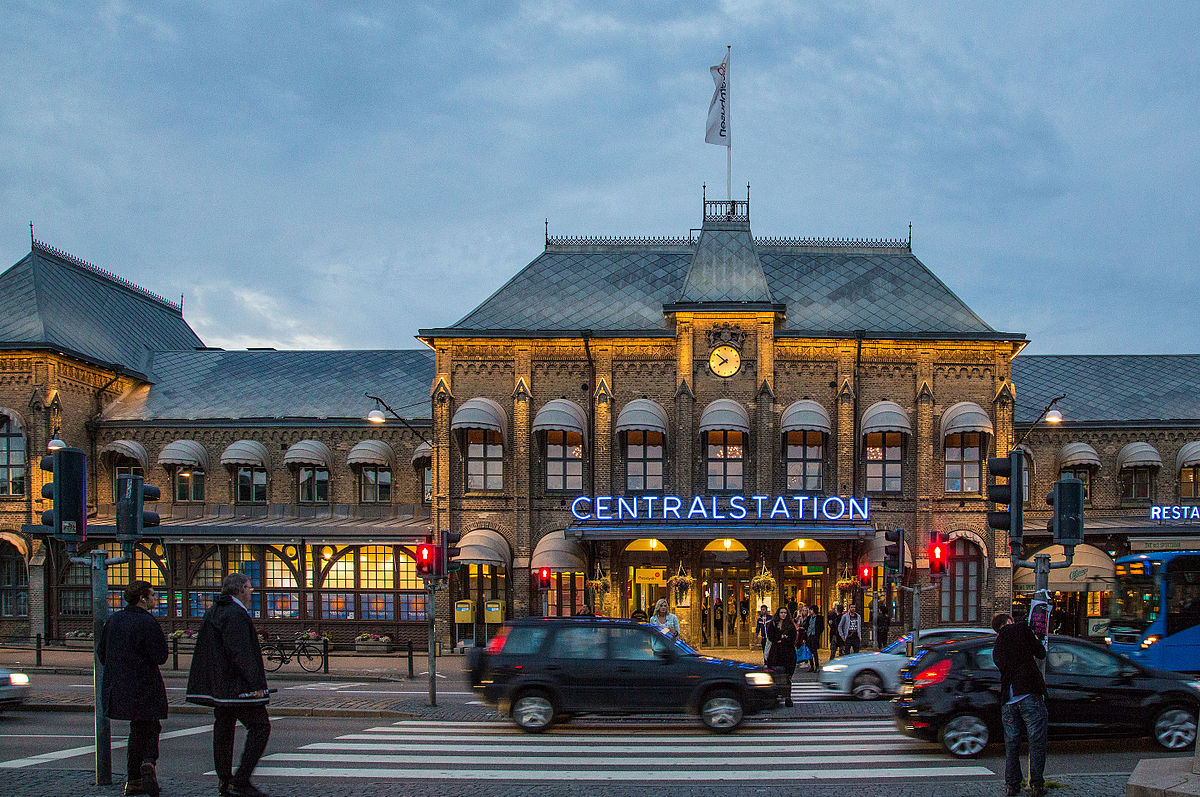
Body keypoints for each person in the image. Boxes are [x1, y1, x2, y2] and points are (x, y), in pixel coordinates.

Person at [186, 573, 271, 797]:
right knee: (260, 726)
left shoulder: (214, 610)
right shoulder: (236, 614)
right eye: (250, 588)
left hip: (220, 686)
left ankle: (224, 779)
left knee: (223, 730)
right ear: (241, 589)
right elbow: (240, 651)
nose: (251, 593)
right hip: (236, 686)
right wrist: (256, 683)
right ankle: (240, 780)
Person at [98, 580, 168, 797]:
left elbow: (102, 653)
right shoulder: (147, 622)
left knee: (137, 729)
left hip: (119, 687)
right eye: (153, 595)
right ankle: (148, 763)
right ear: (143, 598)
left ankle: (134, 780)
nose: (156, 599)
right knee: (150, 726)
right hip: (144, 684)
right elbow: (161, 656)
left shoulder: (114, 620)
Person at [992, 612, 1049, 797]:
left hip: (1008, 699)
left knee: (1011, 743)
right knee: (1036, 741)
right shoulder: (1021, 629)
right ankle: (1037, 785)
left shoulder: (997, 645)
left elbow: (1001, 664)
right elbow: (1040, 653)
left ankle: (1012, 785)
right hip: (1028, 692)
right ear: (1009, 621)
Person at [766, 607, 798, 706]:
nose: (783, 615)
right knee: (776, 675)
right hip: (776, 653)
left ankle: (788, 697)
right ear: (778, 614)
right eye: (781, 613)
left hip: (788, 654)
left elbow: (792, 639)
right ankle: (776, 696)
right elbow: (771, 636)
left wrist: (782, 640)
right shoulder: (773, 624)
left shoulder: (790, 625)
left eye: (785, 613)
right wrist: (781, 637)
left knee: (787, 677)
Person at [805, 605, 823, 672]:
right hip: (809, 635)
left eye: (811, 609)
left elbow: (821, 627)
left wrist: (818, 634)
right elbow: (806, 626)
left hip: (814, 636)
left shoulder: (819, 618)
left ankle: (817, 666)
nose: (810, 611)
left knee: (814, 651)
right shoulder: (809, 618)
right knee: (809, 651)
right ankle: (811, 665)